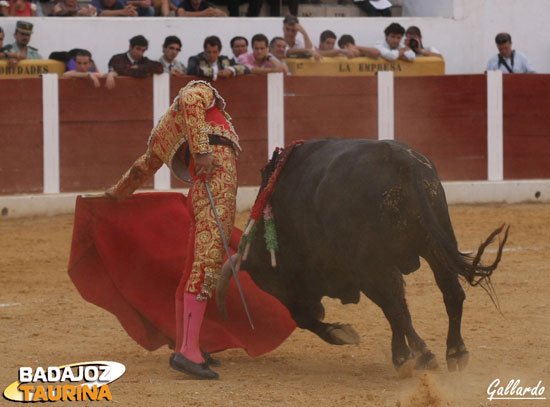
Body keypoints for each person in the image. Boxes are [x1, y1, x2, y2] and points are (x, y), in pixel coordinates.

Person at [103, 80, 241, 380]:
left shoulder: (162, 136)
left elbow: (142, 168)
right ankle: (187, 351)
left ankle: (187, 345)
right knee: (205, 266)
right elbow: (192, 99)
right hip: (214, 185)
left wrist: (116, 194)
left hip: (203, 190)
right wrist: (202, 150)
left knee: (194, 267)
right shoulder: (198, 90)